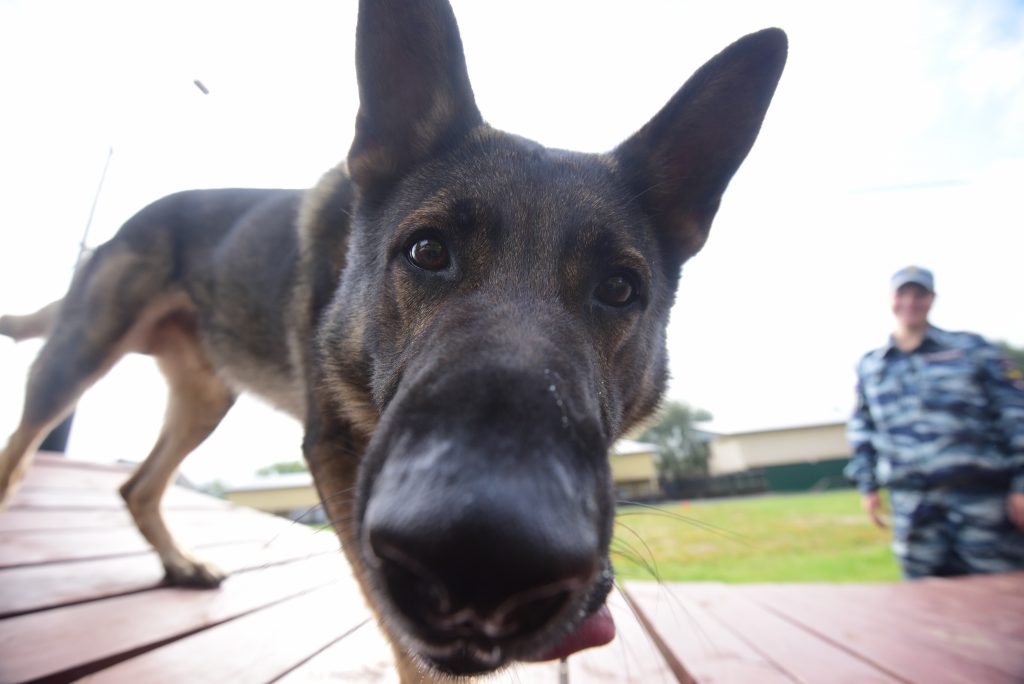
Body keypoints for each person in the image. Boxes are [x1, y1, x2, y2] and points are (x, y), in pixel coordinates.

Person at [845, 265, 1024, 578]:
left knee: (1001, 599)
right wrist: (868, 486)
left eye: (920, 294)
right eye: (903, 293)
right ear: (891, 299)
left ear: (932, 299)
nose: (911, 302)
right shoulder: (872, 366)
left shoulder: (971, 350)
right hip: (913, 508)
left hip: (981, 504)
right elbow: (862, 428)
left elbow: (1015, 415)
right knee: (926, 606)